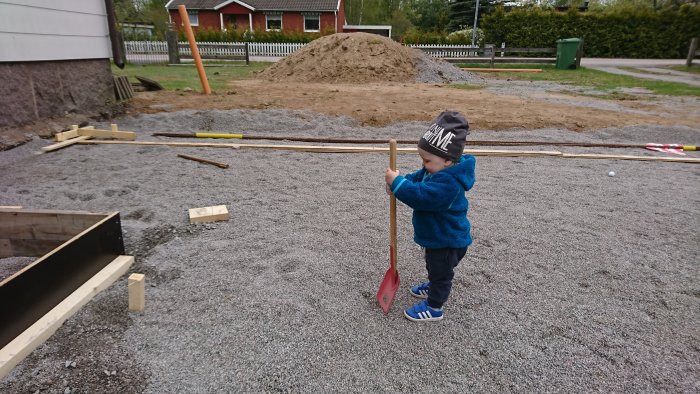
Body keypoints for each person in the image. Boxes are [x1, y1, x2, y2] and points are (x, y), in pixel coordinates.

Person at [385, 111, 475, 322]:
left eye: (426, 160)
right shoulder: (434, 170)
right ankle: (434, 284)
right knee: (433, 266)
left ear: (446, 160)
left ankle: (435, 307)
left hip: (448, 240)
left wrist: (399, 185)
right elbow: (416, 180)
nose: (423, 164)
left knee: (441, 273)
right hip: (437, 237)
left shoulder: (449, 183)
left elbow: (422, 197)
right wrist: (398, 183)